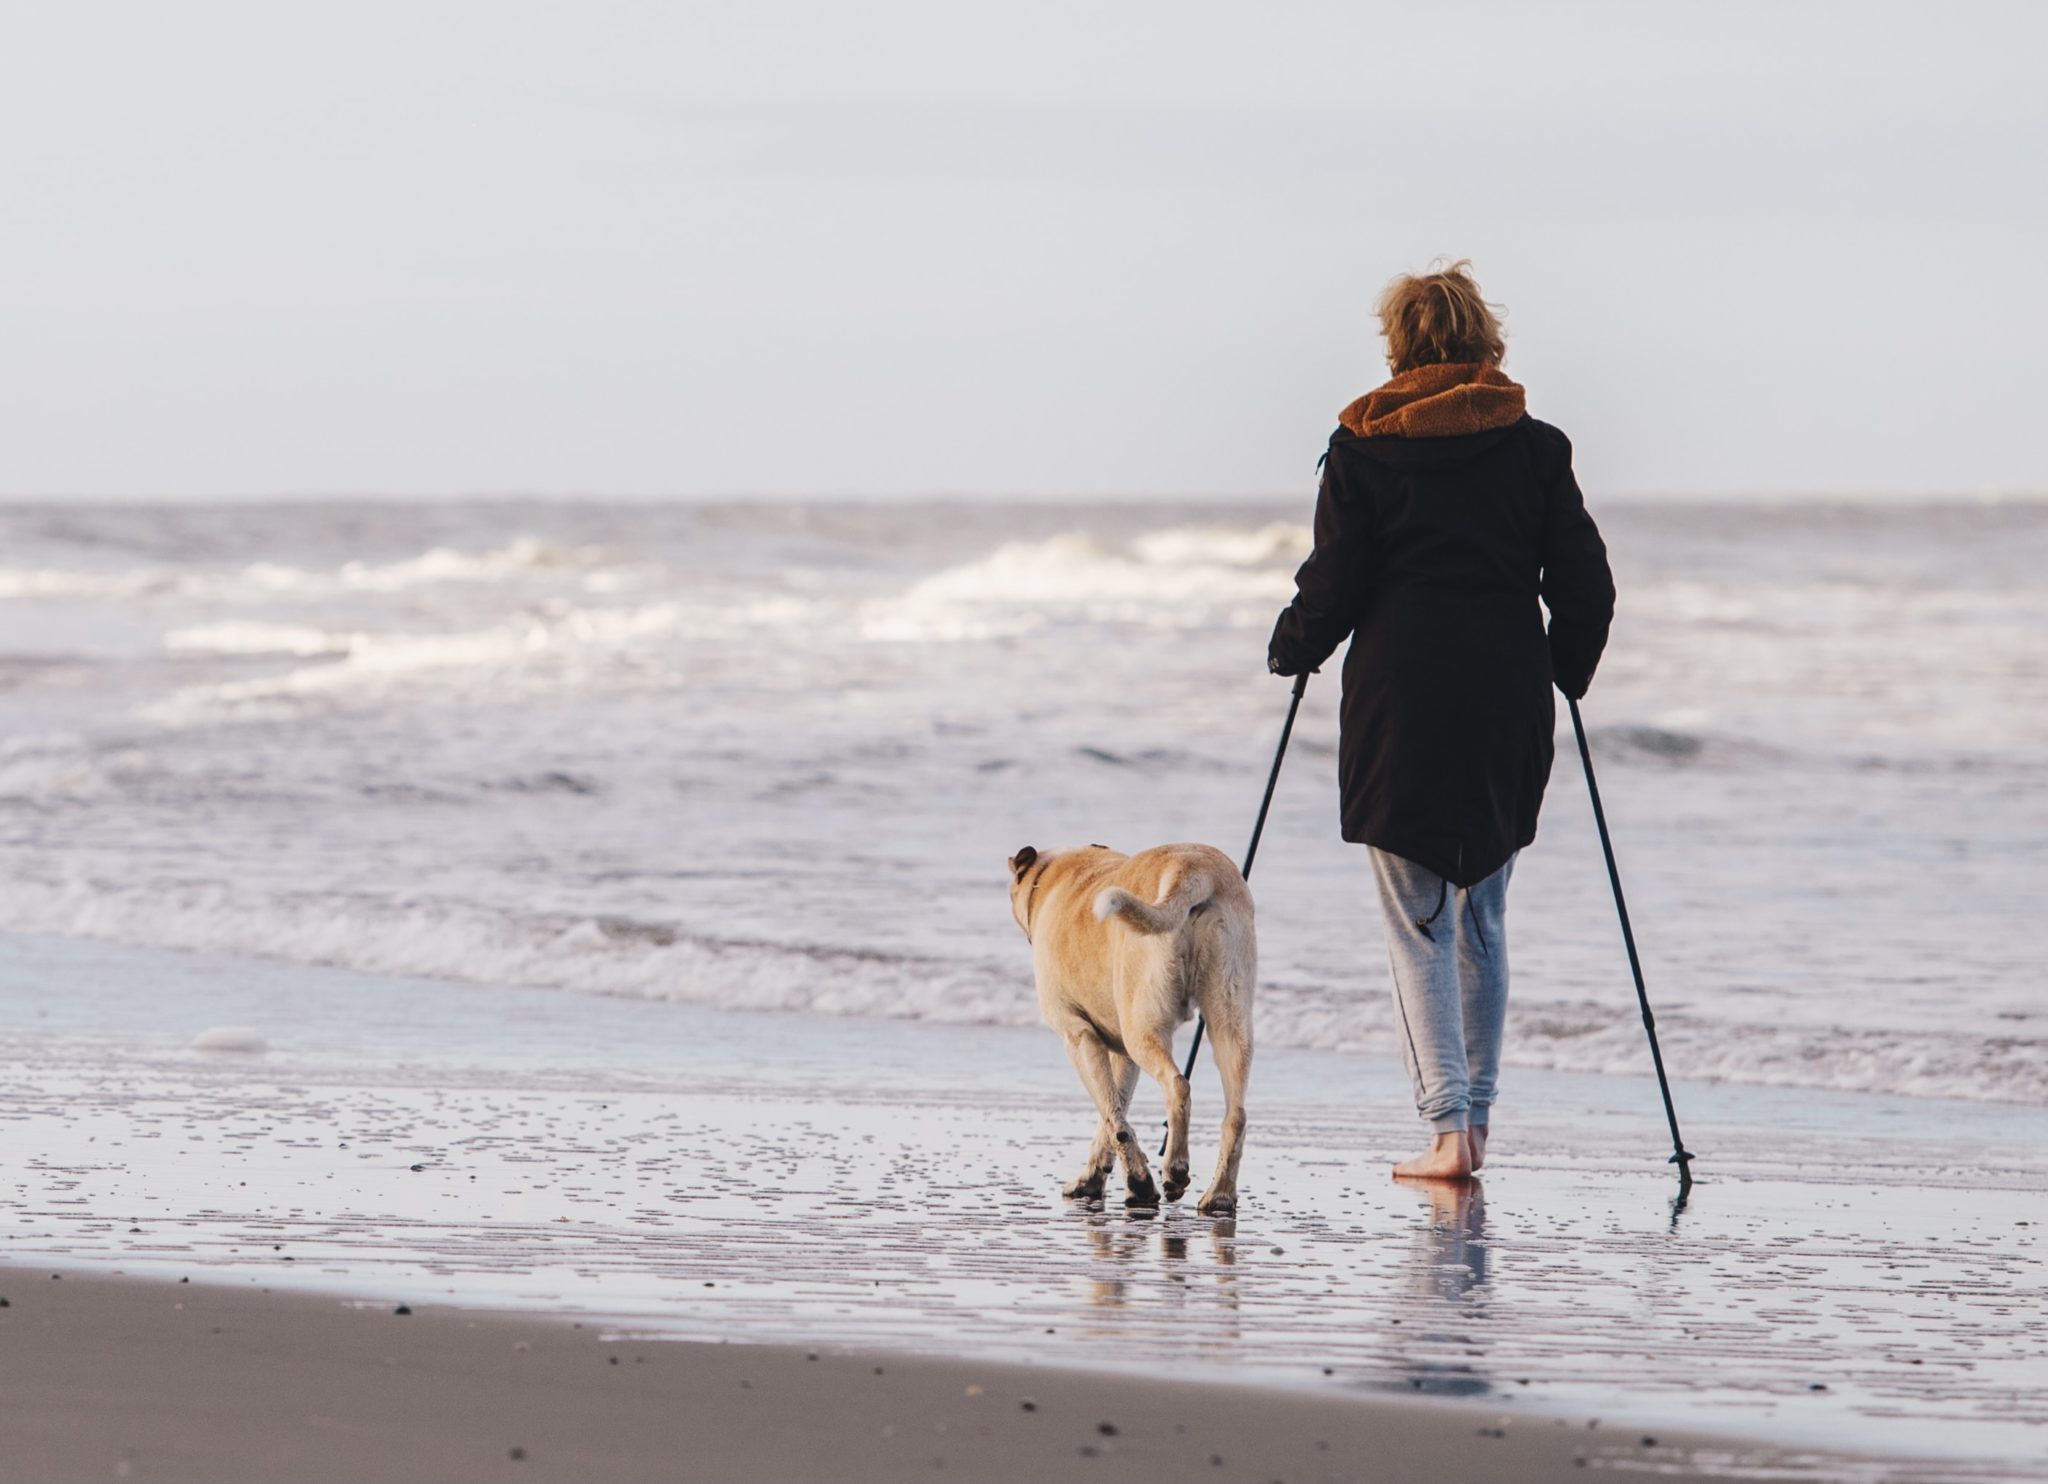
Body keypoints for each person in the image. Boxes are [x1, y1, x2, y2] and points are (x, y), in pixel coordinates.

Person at [1266, 260, 1615, 1180]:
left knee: (1418, 919)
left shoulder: (1362, 444)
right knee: (1485, 917)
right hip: (1506, 694)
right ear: (1483, 340)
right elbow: (1586, 584)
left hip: (1400, 702)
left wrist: (1293, 646)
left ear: (1400, 344)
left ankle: (1446, 1132)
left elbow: (1333, 582)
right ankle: (1478, 1128)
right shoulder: (1535, 447)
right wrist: (1567, 669)